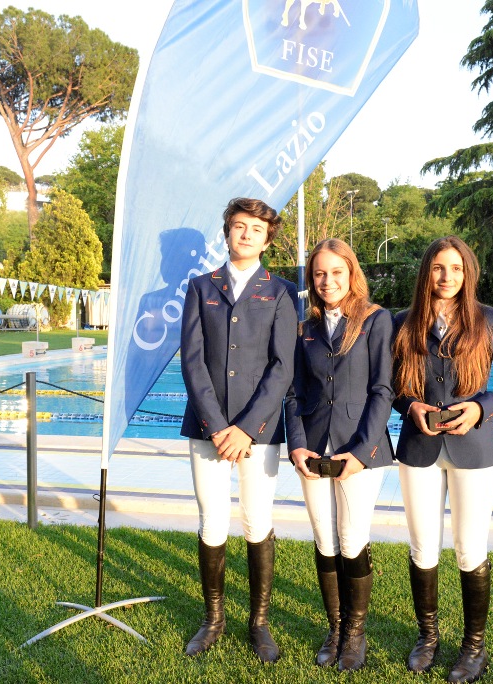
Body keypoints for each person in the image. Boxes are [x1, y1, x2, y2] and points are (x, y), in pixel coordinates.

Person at [391, 236, 493, 683]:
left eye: (455, 268)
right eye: (437, 268)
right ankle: (427, 637)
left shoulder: (490, 321)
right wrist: (411, 406)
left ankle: (474, 647)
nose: (446, 277)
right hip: (419, 447)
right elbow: (391, 387)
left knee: (470, 548)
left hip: (475, 449)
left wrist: (480, 407)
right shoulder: (403, 322)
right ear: (425, 273)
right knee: (422, 546)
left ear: (467, 272)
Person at [179, 197, 298, 663]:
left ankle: (259, 622)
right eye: (238, 226)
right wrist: (217, 426)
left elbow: (283, 367)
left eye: (256, 228)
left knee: (257, 520)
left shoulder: (283, 292)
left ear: (268, 239)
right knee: (211, 519)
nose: (246, 234)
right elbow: (192, 360)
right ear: (226, 232)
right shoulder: (200, 286)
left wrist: (246, 429)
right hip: (207, 427)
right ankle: (213, 619)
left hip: (260, 430)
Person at [284, 239, 394, 672]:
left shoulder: (375, 320)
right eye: (319, 274)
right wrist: (296, 445)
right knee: (324, 540)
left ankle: (355, 633)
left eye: (335, 273)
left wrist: (361, 452)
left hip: (359, 448)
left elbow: (382, 390)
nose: (327, 282)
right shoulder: (304, 328)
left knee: (351, 539)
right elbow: (293, 394)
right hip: (313, 448)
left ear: (352, 274)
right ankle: (334, 626)